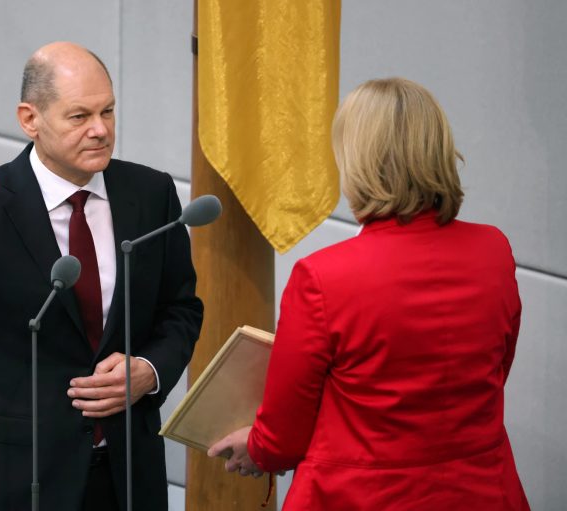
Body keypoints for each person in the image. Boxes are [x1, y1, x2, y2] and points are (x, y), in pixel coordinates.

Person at [0, 42, 203, 511]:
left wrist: (150, 370)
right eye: (79, 116)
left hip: (127, 474)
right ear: (30, 119)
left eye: (108, 111)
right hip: (18, 476)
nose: (100, 130)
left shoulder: (151, 193)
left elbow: (181, 308)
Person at [208, 78, 530, 510]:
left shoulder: (323, 277)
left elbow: (283, 436)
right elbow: (493, 373)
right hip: (483, 493)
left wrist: (258, 448)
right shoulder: (493, 251)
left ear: (357, 160)